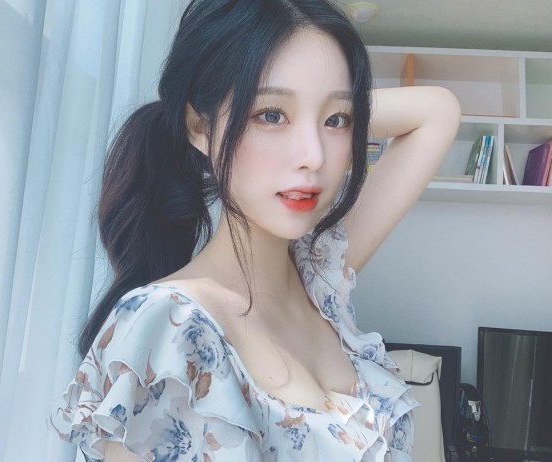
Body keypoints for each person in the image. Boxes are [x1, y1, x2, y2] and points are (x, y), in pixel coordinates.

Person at [49, 0, 460, 461]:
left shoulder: (319, 279)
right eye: (270, 115)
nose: (314, 156)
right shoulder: (168, 327)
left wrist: (318, 105)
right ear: (200, 127)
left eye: (336, 121)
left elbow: (438, 111)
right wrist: (319, 106)